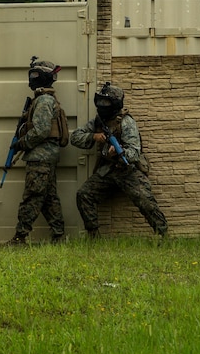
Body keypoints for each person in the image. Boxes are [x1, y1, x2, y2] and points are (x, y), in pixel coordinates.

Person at [71, 82, 168, 238]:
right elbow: (74, 137)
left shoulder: (126, 122)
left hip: (127, 170)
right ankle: (93, 236)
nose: (102, 105)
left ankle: (162, 234)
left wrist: (118, 152)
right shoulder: (98, 122)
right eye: (100, 101)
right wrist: (93, 136)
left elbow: (135, 152)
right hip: (107, 170)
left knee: (146, 200)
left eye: (106, 102)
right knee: (83, 194)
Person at [10, 57, 70, 245]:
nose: (32, 78)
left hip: (40, 158)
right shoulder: (45, 98)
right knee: (48, 198)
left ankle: (20, 238)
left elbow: (42, 130)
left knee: (33, 197)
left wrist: (22, 143)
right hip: (46, 157)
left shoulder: (43, 100)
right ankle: (59, 236)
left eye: (36, 74)